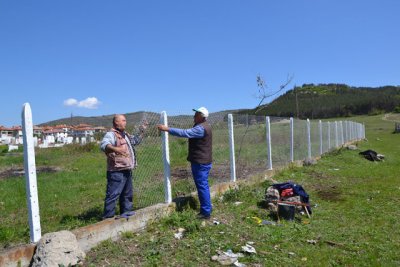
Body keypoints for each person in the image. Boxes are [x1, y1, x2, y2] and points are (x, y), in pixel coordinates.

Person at [157, 107, 213, 220]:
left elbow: (185, 133)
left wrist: (167, 129)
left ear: (201, 116)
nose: (194, 116)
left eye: (196, 114)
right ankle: (207, 208)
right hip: (204, 161)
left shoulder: (200, 128)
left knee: (202, 186)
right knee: (204, 185)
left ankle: (206, 212)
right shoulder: (206, 126)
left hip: (200, 162)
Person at [100, 114, 146, 219]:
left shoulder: (125, 134)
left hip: (126, 169)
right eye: (123, 120)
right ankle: (108, 218)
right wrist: (116, 149)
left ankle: (126, 213)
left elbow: (135, 141)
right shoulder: (111, 134)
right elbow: (104, 145)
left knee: (127, 193)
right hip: (116, 171)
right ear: (117, 122)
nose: (125, 122)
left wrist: (142, 131)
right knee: (113, 194)